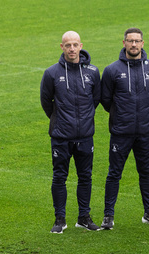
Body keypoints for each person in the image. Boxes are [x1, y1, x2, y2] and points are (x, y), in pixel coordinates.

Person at [100, 28, 149, 229]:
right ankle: (108, 215)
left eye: (137, 41)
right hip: (121, 132)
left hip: (145, 132)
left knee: (146, 173)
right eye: (130, 41)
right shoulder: (112, 70)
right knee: (114, 174)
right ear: (124, 43)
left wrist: (145, 115)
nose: (134, 45)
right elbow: (105, 100)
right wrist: (121, 116)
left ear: (143, 43)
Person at [40, 31, 101, 233]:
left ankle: (83, 217)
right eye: (68, 45)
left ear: (81, 46)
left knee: (86, 177)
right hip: (61, 136)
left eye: (75, 45)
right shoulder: (51, 73)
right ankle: (60, 219)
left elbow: (96, 100)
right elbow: (46, 102)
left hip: (85, 135)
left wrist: (83, 120)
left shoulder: (92, 72)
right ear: (62, 47)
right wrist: (59, 120)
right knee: (59, 177)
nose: (72, 49)